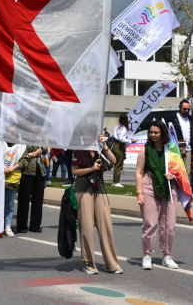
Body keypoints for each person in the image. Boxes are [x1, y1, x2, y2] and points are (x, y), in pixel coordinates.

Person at [71, 124, 122, 275]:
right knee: (86, 228)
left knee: (106, 226)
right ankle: (88, 263)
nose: (85, 137)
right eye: (84, 134)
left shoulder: (100, 150)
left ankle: (111, 264)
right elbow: (75, 171)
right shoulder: (78, 150)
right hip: (83, 190)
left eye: (88, 134)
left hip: (99, 189)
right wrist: (92, 169)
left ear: (95, 136)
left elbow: (113, 161)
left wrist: (104, 145)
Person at [136, 121, 180, 270]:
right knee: (150, 222)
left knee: (169, 225)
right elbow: (139, 173)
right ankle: (147, 255)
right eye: (151, 132)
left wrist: (174, 175)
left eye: (156, 132)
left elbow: (180, 171)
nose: (153, 135)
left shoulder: (171, 149)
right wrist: (139, 193)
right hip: (149, 185)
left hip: (169, 188)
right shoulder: (145, 149)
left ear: (163, 133)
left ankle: (167, 256)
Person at [16, 136, 47, 234]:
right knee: (24, 199)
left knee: (38, 199)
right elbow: (19, 154)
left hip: (39, 171)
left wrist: (44, 142)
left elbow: (44, 151)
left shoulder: (39, 137)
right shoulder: (22, 137)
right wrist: (34, 154)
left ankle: (35, 225)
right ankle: (22, 226)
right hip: (26, 171)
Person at [170, 100, 193, 176]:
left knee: (187, 172)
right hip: (176, 149)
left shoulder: (191, 119)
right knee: (176, 171)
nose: (186, 111)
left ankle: (186, 184)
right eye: (185, 109)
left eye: (188, 109)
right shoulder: (172, 118)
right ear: (180, 107)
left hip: (188, 149)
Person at [111, 114, 137, 188]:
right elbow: (121, 139)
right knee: (119, 164)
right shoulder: (123, 128)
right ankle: (116, 181)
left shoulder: (117, 126)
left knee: (116, 164)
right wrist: (131, 141)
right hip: (119, 146)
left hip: (114, 145)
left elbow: (114, 135)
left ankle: (115, 181)